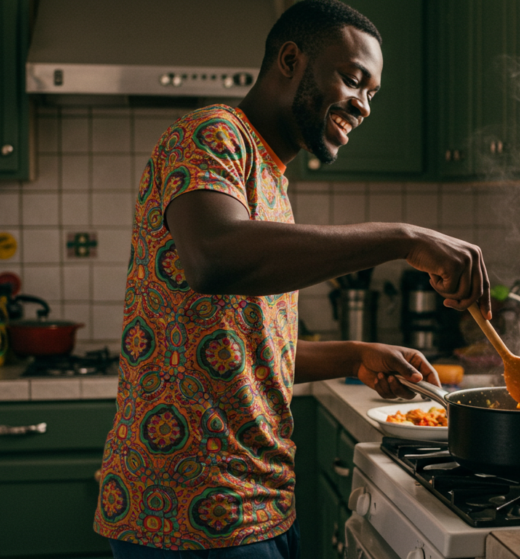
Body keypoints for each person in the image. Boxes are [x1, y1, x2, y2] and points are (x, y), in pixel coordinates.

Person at [93, 1, 490, 557]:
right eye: (354, 80)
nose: (364, 105)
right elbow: (215, 258)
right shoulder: (212, 134)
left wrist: (354, 356)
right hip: (189, 508)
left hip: (260, 502)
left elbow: (241, 348)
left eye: (373, 93)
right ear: (289, 59)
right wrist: (404, 238)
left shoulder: (270, 175)